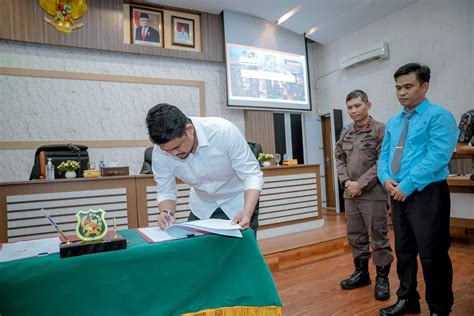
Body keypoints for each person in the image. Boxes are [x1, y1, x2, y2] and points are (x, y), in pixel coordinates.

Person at [378, 63, 458, 316]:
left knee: (432, 254)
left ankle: (439, 308)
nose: (401, 92)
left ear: (424, 87)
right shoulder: (393, 122)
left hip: (427, 193)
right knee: (404, 251)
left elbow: (438, 156)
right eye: (398, 87)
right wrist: (385, 178)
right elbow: (384, 156)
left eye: (408, 86)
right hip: (397, 193)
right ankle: (407, 299)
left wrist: (408, 184)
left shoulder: (439, 116)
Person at [145, 103, 263, 235]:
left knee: (241, 254)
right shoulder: (160, 153)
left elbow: (252, 175)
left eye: (176, 147)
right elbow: (166, 191)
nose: (173, 154)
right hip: (202, 206)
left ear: (189, 129)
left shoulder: (223, 131)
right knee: (197, 253)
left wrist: (247, 213)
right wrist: (166, 213)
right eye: (167, 150)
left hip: (239, 203)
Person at [334, 90, 393, 301]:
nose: (353, 110)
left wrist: (361, 183)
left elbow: (382, 161)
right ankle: (362, 274)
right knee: (355, 236)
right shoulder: (346, 131)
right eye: (350, 107)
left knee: (378, 237)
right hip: (350, 193)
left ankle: (382, 279)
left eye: (358, 105)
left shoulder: (380, 130)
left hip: (373, 193)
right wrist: (347, 181)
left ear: (368, 105)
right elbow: (339, 157)